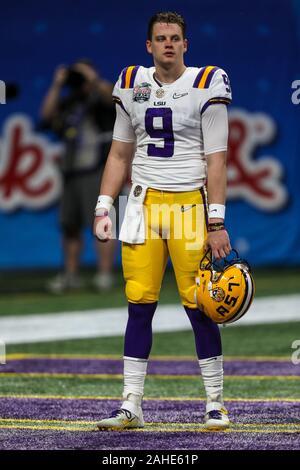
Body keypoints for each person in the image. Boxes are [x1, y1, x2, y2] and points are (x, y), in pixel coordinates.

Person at [94, 11, 232, 430]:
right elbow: (119, 153)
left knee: (201, 308)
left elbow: (217, 159)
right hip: (141, 206)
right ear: (148, 45)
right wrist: (104, 205)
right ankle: (131, 403)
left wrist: (216, 221)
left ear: (186, 45)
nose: (168, 44)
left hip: (190, 205)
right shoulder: (131, 82)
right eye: (160, 38)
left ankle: (215, 403)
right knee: (139, 305)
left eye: (175, 38)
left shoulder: (207, 83)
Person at [41, 59, 117, 292]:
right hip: (71, 171)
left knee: (102, 224)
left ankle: (104, 274)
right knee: (69, 225)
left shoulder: (102, 98)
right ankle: (70, 274)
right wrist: (57, 84)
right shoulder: (71, 102)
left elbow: (114, 96)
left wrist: (91, 78)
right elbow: (46, 116)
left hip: (97, 170)